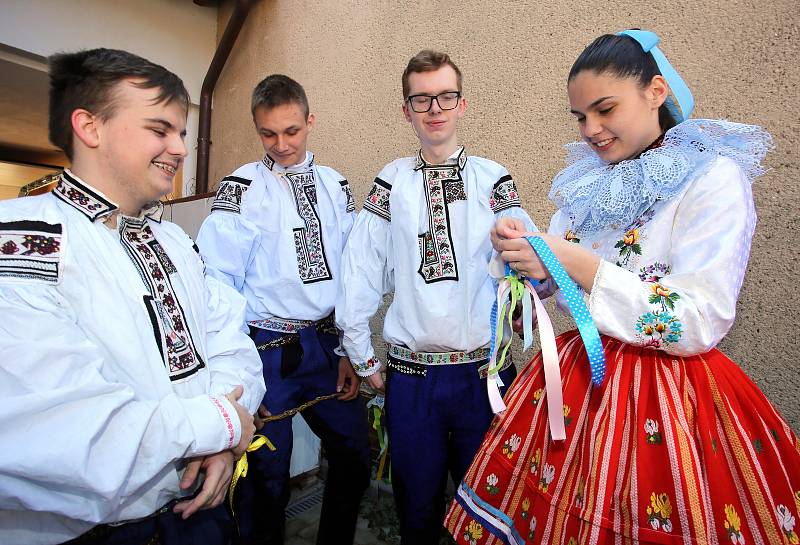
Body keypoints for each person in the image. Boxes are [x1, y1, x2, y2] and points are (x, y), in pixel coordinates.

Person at [445, 30, 800, 545]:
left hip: (672, 399)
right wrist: (527, 257)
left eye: (604, 109)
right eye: (580, 117)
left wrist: (585, 268)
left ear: (656, 92)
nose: (591, 129)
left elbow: (700, 317)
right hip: (573, 386)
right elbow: (553, 278)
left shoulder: (711, 178)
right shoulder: (590, 184)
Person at [0, 48, 265, 545]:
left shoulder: (175, 242)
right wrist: (225, 422)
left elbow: (231, 343)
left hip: (200, 508)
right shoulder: (20, 240)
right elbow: (64, 430)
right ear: (91, 127)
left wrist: (223, 444)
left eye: (182, 132)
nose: (181, 148)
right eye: (159, 129)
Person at [336, 50, 536, 545]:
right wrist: (361, 355)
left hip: (484, 377)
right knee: (417, 511)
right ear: (406, 110)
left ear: (462, 104)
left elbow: (531, 264)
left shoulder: (493, 179)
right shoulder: (392, 181)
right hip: (412, 378)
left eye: (446, 96)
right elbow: (361, 268)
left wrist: (525, 306)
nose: (435, 108)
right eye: (421, 99)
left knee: (489, 512)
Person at [196, 74, 370, 545]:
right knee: (266, 471)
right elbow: (217, 282)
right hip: (264, 350)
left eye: (291, 131)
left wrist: (345, 352)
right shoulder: (240, 188)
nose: (281, 144)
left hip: (324, 344)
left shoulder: (336, 185)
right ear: (257, 130)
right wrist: (230, 365)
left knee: (354, 452)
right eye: (268, 134)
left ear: (310, 121)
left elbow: (351, 272)